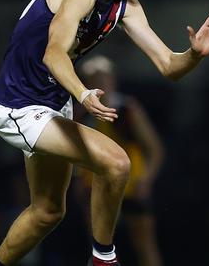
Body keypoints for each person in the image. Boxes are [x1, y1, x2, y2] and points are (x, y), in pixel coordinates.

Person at [0, 0, 209, 266]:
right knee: (116, 162)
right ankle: (103, 259)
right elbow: (53, 55)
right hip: (18, 106)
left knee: (48, 212)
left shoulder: (123, 4)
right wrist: (83, 93)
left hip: (51, 105)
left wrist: (195, 54)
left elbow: (168, 66)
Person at [73, 55, 165, 266]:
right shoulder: (81, 114)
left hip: (132, 185)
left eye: (104, 78)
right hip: (96, 187)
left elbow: (155, 149)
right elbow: (77, 155)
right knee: (100, 248)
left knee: (144, 244)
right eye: (94, 79)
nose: (101, 83)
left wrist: (146, 180)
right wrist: (77, 179)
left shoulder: (128, 110)